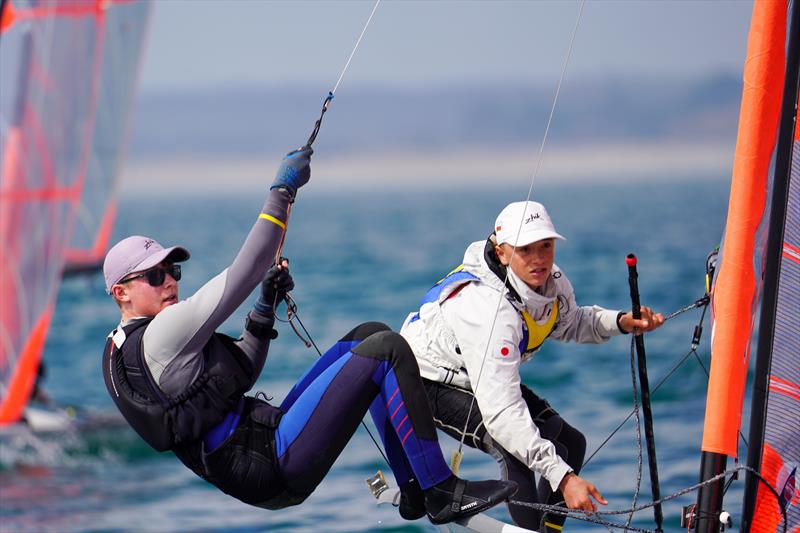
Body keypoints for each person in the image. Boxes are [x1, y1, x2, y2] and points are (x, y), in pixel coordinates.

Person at [100, 147, 516, 524]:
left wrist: (264, 308)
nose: (170, 282)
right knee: (389, 350)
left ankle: (412, 488)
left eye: (173, 271)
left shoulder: (124, 350)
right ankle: (441, 490)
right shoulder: (160, 336)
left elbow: (241, 371)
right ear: (121, 293)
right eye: (155, 276)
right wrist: (281, 190)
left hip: (263, 450)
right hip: (270, 462)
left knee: (370, 335)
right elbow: (247, 267)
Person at [399, 200, 665, 532]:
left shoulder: (549, 283)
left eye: (546, 245)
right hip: (425, 378)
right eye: (526, 249)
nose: (539, 258)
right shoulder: (491, 313)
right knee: (514, 452)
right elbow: (502, 416)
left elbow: (568, 323)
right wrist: (564, 478)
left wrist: (622, 322)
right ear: (502, 253)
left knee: (570, 443)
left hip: (475, 374)